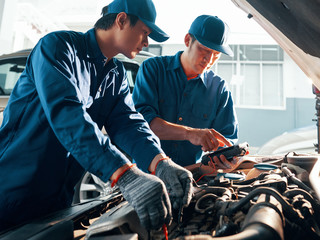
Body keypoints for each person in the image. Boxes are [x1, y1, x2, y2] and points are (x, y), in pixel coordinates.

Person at [0, 0, 193, 231]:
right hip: (12, 191)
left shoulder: (115, 74)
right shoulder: (57, 48)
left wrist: (160, 162)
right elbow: (67, 114)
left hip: (58, 201)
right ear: (121, 20)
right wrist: (124, 173)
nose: (146, 42)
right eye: (144, 32)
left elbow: (128, 123)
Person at [132, 15, 239, 171]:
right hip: (148, 176)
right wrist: (189, 133)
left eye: (216, 54)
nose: (209, 60)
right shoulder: (153, 69)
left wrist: (226, 157)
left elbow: (228, 139)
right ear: (188, 40)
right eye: (205, 50)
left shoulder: (219, 88)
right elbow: (143, 124)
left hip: (194, 176)